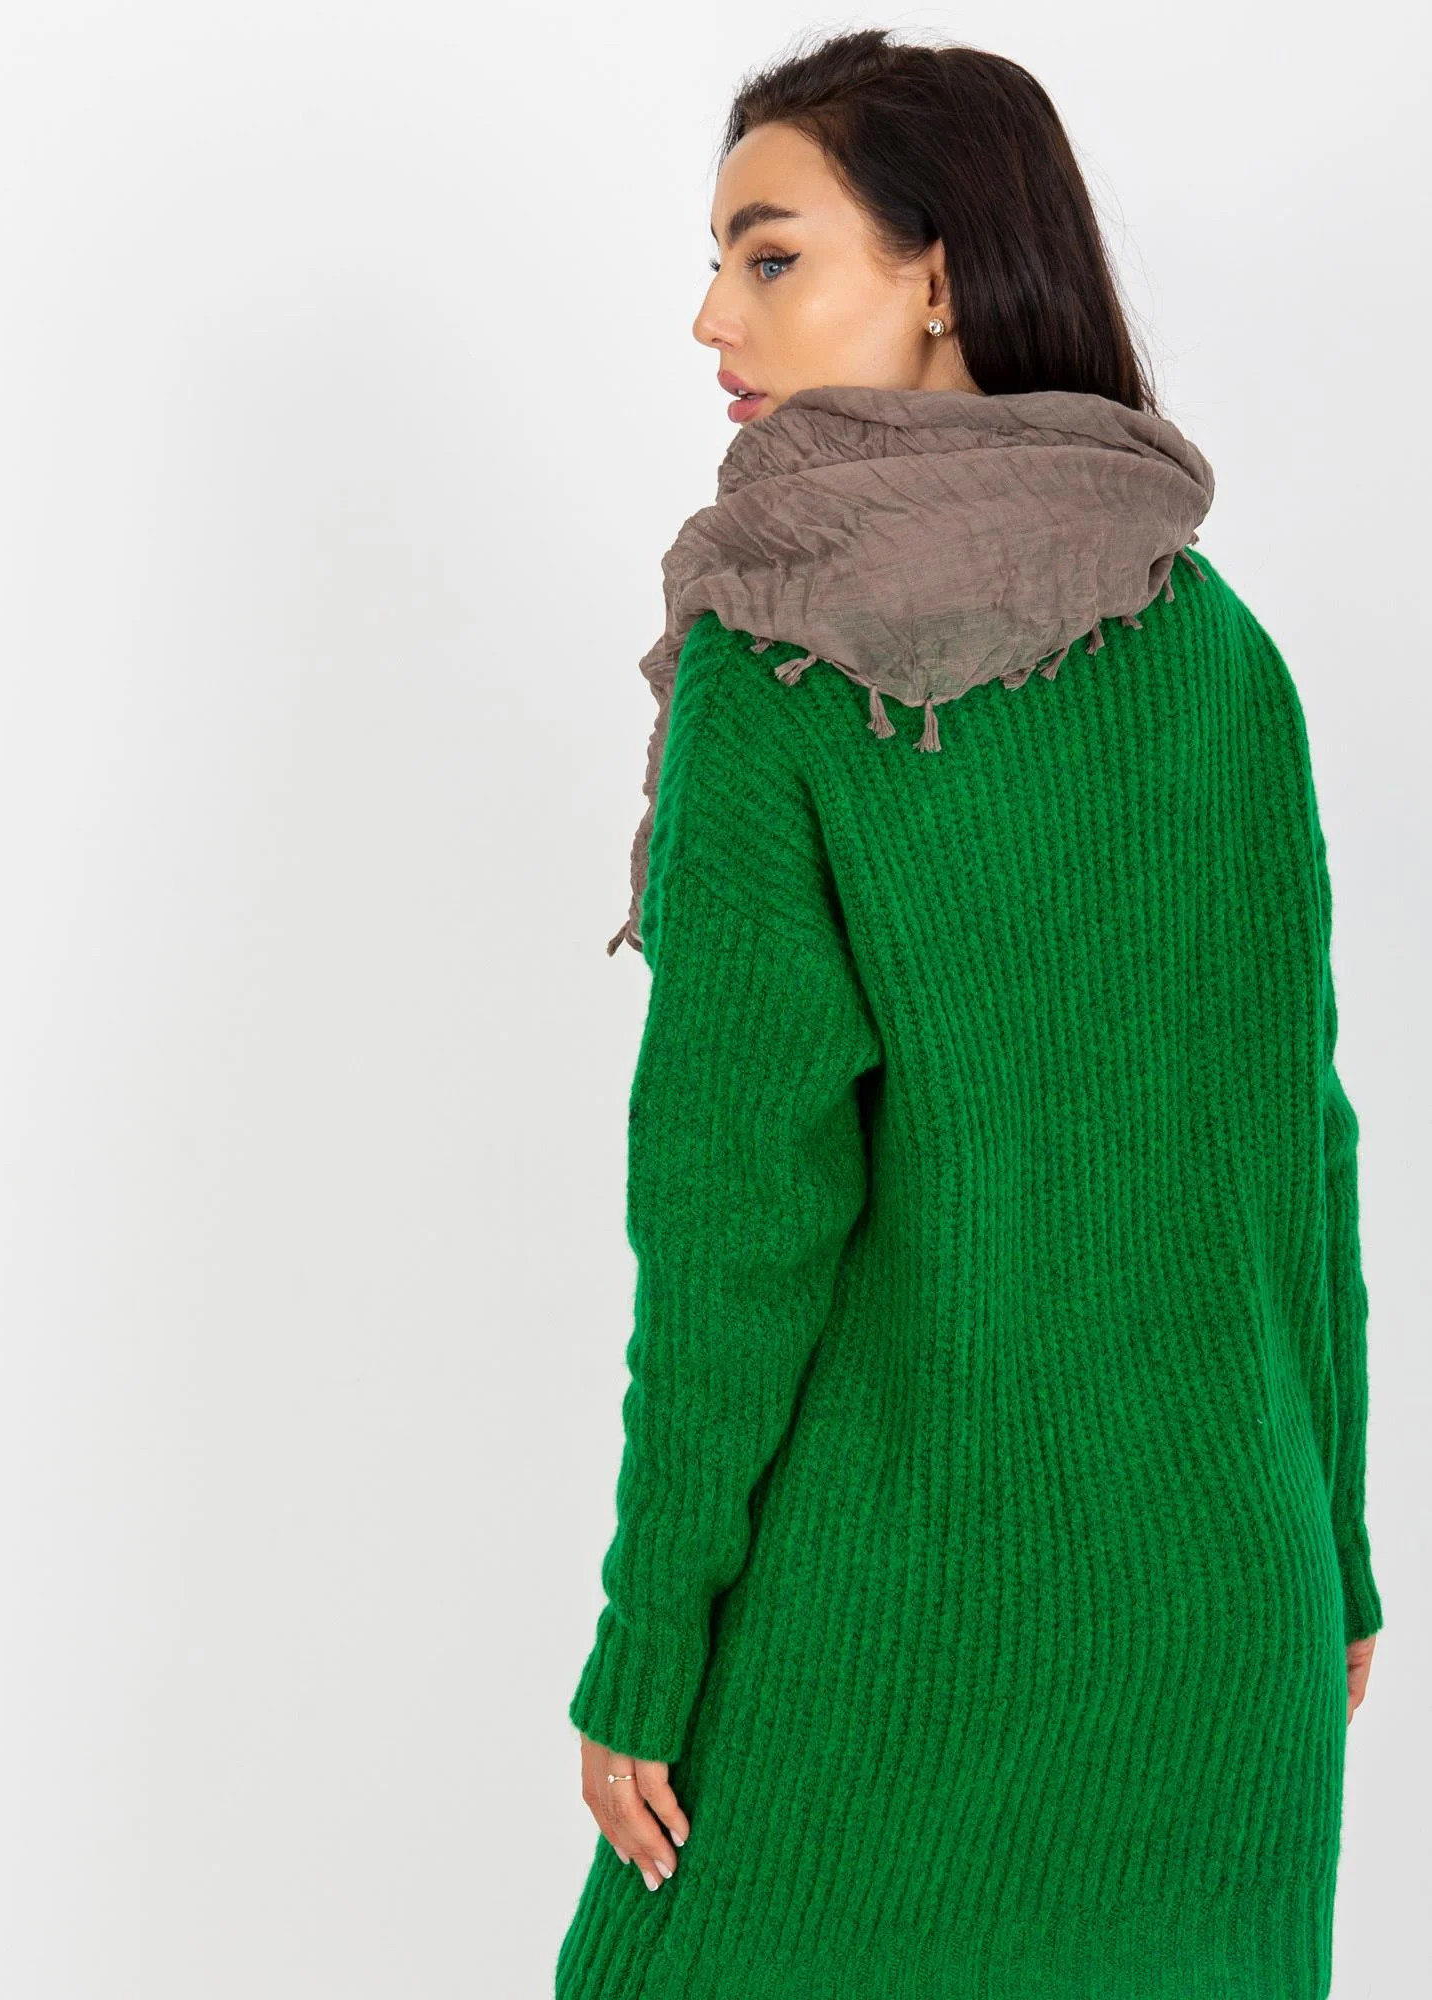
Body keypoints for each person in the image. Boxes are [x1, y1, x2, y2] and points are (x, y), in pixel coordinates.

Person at [557, 29, 1383, 2000]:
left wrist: (647, 1640)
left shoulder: (778, 664)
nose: (710, 316)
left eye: (770, 256)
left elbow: (736, 1219)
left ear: (936, 274)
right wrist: (1336, 1548)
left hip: (907, 1624)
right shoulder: (1215, 640)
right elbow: (1300, 1150)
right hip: (1235, 1617)